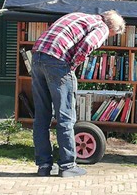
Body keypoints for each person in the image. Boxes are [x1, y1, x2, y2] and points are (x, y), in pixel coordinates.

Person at [31, 10, 126, 177]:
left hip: (37, 57)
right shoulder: (102, 27)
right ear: (112, 28)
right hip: (58, 61)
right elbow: (88, 44)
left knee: (41, 117)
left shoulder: (77, 16)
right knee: (65, 117)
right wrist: (73, 66)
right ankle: (67, 166)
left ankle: (44, 166)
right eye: (112, 35)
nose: (108, 37)